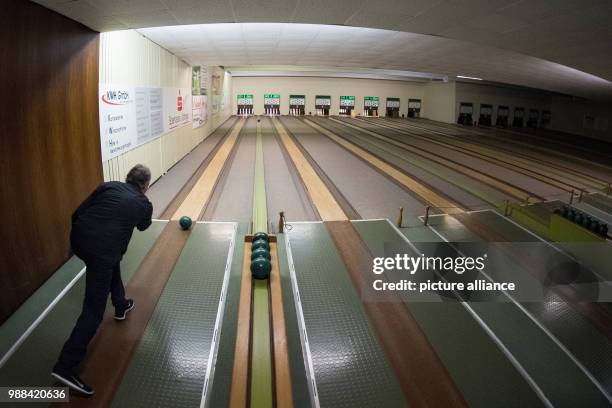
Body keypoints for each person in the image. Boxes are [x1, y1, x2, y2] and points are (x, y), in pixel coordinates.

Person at [51, 164, 153, 395]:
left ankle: (121, 304)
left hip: (80, 239)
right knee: (93, 310)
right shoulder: (143, 203)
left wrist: (76, 244)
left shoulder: (108, 186)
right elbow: (144, 226)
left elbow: (77, 213)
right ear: (145, 185)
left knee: (110, 260)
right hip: (103, 251)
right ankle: (66, 366)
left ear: (127, 178)